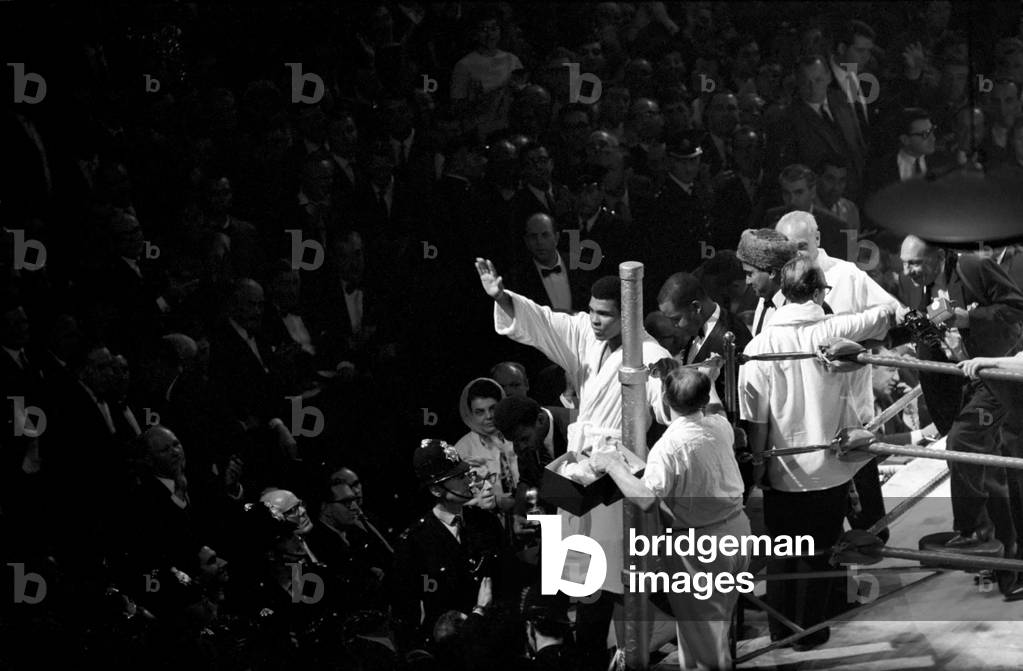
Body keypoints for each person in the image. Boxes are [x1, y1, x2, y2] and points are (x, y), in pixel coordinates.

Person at [474, 258, 669, 670]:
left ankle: (618, 650)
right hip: (575, 473)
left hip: (614, 475)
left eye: (605, 315)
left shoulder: (652, 355)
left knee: (611, 577)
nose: (595, 321)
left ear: (627, 314)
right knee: (580, 576)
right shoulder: (583, 331)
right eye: (593, 311)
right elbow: (544, 321)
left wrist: (671, 377)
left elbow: (667, 402)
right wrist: (504, 297)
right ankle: (583, 651)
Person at [739, 256, 906, 648]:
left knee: (783, 551)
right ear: (818, 292)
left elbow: (756, 420)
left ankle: (782, 631)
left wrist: (761, 467)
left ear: (783, 291)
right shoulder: (836, 330)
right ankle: (810, 633)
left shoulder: (759, 346)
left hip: (782, 466)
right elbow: (886, 313)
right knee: (820, 551)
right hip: (829, 465)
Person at [592, 359, 749, 670]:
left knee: (705, 644)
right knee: (712, 633)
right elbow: (713, 406)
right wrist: (710, 377)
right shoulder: (719, 426)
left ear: (663, 399)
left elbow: (646, 498)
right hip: (737, 533)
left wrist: (611, 465)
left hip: (702, 549)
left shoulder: (669, 446)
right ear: (703, 400)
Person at [389, 439, 506, 651]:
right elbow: (406, 611)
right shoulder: (413, 542)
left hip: (496, 640)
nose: (467, 481)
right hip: (452, 648)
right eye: (458, 477)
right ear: (436, 490)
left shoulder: (486, 522)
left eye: (465, 473)